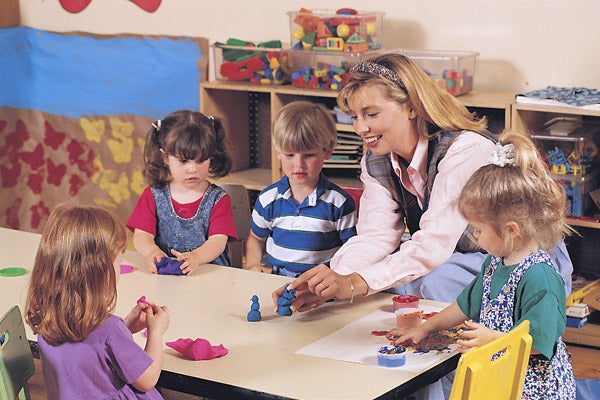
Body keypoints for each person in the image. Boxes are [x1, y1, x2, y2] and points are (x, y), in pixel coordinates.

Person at [273, 52, 573, 312]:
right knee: (388, 286)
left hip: (518, 261)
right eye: (353, 116)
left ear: (412, 107)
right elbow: (374, 237)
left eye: (371, 114)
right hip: (461, 257)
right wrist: (329, 280)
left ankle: (452, 374)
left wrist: (356, 283)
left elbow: (433, 245)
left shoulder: (463, 150)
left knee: (426, 284)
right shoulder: (377, 160)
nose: (361, 128)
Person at [389, 130, 576, 399]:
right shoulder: (494, 263)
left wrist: (494, 340)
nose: (474, 236)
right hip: (500, 375)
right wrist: (425, 328)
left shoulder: (540, 278)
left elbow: (539, 343)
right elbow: (465, 304)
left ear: (511, 230)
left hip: (533, 388)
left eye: (477, 229)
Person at [25, 203, 171, 399]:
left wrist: (126, 327)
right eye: (118, 261)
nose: (120, 267)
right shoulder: (109, 329)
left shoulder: (47, 319)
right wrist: (156, 332)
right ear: (99, 272)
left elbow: (93, 353)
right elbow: (147, 380)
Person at [245, 101, 358, 277]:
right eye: (289, 155)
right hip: (276, 282)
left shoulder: (339, 203)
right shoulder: (268, 199)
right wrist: (253, 265)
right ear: (278, 153)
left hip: (321, 286)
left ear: (327, 151)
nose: (299, 164)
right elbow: (256, 238)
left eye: (309, 155)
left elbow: (352, 251)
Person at [127, 110, 238, 274]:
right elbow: (142, 236)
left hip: (209, 276)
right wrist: (152, 252)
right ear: (165, 157)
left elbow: (218, 241)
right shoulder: (153, 195)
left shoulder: (218, 199)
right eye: (183, 161)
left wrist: (196, 257)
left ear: (211, 156)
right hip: (165, 278)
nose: (192, 169)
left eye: (201, 160)